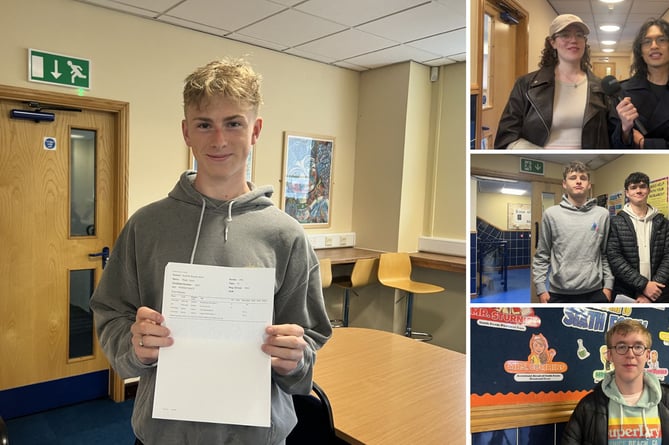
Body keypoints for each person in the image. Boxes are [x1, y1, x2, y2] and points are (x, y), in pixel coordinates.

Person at [90, 58, 332, 445]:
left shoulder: (286, 236)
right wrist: (134, 344)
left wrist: (294, 357)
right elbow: (111, 313)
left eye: (233, 123)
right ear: (186, 132)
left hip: (255, 436)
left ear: (255, 131)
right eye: (204, 124)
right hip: (163, 434)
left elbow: (310, 337)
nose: (218, 140)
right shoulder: (146, 226)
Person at [494, 14, 610, 149]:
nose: (574, 40)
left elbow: (611, 137)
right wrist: (538, 153)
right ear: (552, 42)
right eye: (565, 35)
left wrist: (625, 127)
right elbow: (506, 136)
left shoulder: (600, 87)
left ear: (584, 42)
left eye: (579, 35)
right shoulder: (526, 85)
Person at [561, 319, 669, 444]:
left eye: (638, 347)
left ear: (648, 355)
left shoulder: (666, 401)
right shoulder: (588, 406)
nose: (630, 354)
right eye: (621, 347)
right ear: (609, 355)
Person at [533, 161, 613, 303]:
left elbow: (605, 253)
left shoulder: (602, 214)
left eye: (583, 178)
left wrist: (608, 286)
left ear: (589, 184)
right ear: (564, 184)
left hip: (595, 291)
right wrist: (540, 289)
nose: (578, 182)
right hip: (559, 292)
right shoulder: (551, 214)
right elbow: (542, 254)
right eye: (573, 178)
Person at [607, 172, 669, 303]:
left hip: (659, 292)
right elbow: (614, 257)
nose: (638, 190)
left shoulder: (663, 222)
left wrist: (652, 289)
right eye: (633, 187)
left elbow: (668, 256)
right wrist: (644, 285)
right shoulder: (616, 222)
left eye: (642, 186)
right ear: (627, 193)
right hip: (626, 291)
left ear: (648, 190)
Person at [611, 18, 669, 148]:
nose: (654, 46)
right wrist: (625, 130)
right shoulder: (622, 92)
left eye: (662, 40)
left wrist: (645, 143)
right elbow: (612, 144)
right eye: (647, 42)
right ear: (641, 51)